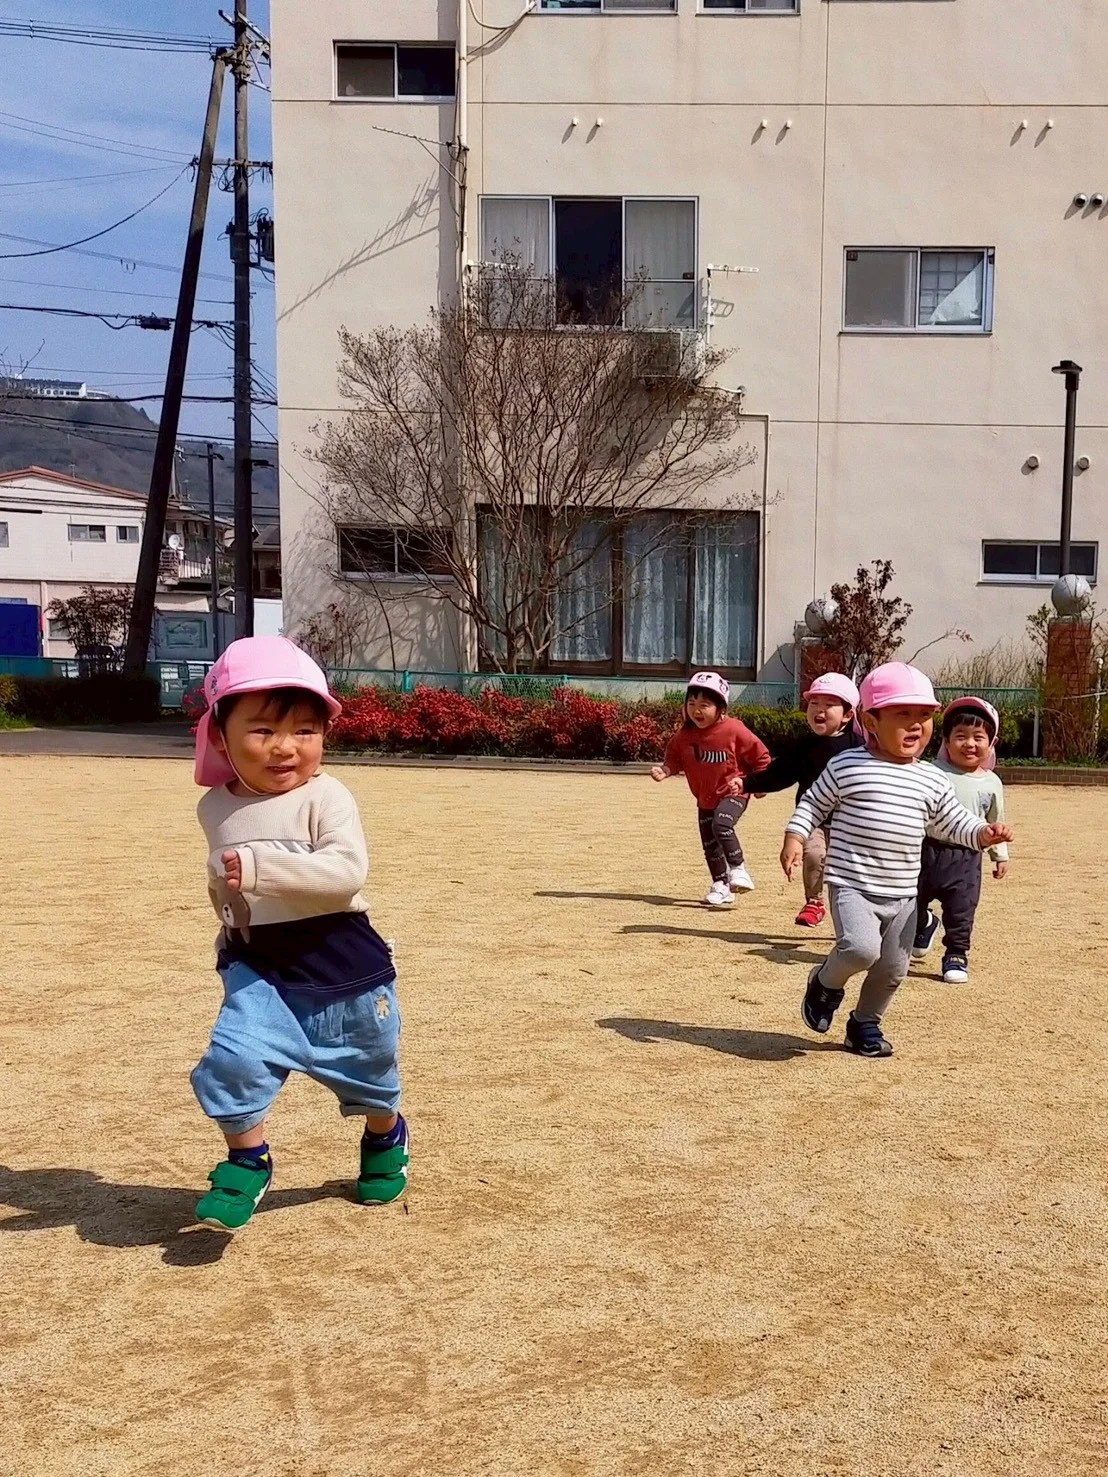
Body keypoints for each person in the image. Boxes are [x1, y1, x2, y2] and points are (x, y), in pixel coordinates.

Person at [189, 636, 408, 1231]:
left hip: (342, 962)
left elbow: (346, 874)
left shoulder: (326, 796)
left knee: (370, 1070)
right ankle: (247, 1158)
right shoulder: (214, 807)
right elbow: (223, 881)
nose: (286, 747)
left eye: (306, 731)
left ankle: (386, 1134)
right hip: (259, 966)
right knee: (232, 1059)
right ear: (220, 736)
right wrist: (228, 932)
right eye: (263, 731)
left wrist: (262, 869)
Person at [781, 663, 1013, 1058]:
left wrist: (982, 833)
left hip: (904, 893)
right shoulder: (848, 765)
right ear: (871, 720)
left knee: (893, 968)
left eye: (924, 715)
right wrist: (795, 836)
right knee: (860, 949)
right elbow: (813, 804)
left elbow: (952, 822)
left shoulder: (931, 778)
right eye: (902, 714)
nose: (916, 724)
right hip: (853, 884)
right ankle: (824, 983)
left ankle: (865, 1024)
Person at [741, 671, 861, 928]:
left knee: (849, 872)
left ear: (848, 715)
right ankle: (814, 902)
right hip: (814, 821)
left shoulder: (860, 748)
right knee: (814, 855)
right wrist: (747, 783)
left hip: (851, 824)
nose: (819, 710)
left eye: (829, 704)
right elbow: (780, 774)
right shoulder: (804, 746)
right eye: (814, 703)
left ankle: (854, 913)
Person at [651, 672, 770, 907]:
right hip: (705, 797)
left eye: (704, 705)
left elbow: (761, 756)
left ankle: (738, 869)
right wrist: (665, 770)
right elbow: (674, 757)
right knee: (710, 846)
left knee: (722, 823)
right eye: (691, 703)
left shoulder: (734, 729)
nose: (696, 710)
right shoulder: (685, 735)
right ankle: (721, 885)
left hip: (734, 790)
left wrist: (760, 783)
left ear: (720, 708)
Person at [913, 696, 1009, 983]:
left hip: (966, 857)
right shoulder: (930, 772)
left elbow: (995, 822)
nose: (969, 743)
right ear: (946, 740)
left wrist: (1000, 855)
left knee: (961, 910)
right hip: (925, 851)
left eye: (978, 737)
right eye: (960, 736)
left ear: (991, 743)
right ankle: (924, 923)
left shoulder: (991, 782)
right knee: (910, 901)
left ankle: (956, 954)